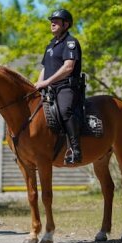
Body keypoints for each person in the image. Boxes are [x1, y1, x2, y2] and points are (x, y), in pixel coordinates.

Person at [35, 9, 83, 164]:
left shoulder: (70, 43)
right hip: (50, 88)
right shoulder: (50, 45)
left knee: (64, 111)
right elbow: (44, 69)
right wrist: (37, 85)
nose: (52, 23)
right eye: (52, 20)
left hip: (66, 87)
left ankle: (75, 150)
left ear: (66, 24)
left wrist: (47, 82)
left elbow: (68, 67)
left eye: (56, 20)